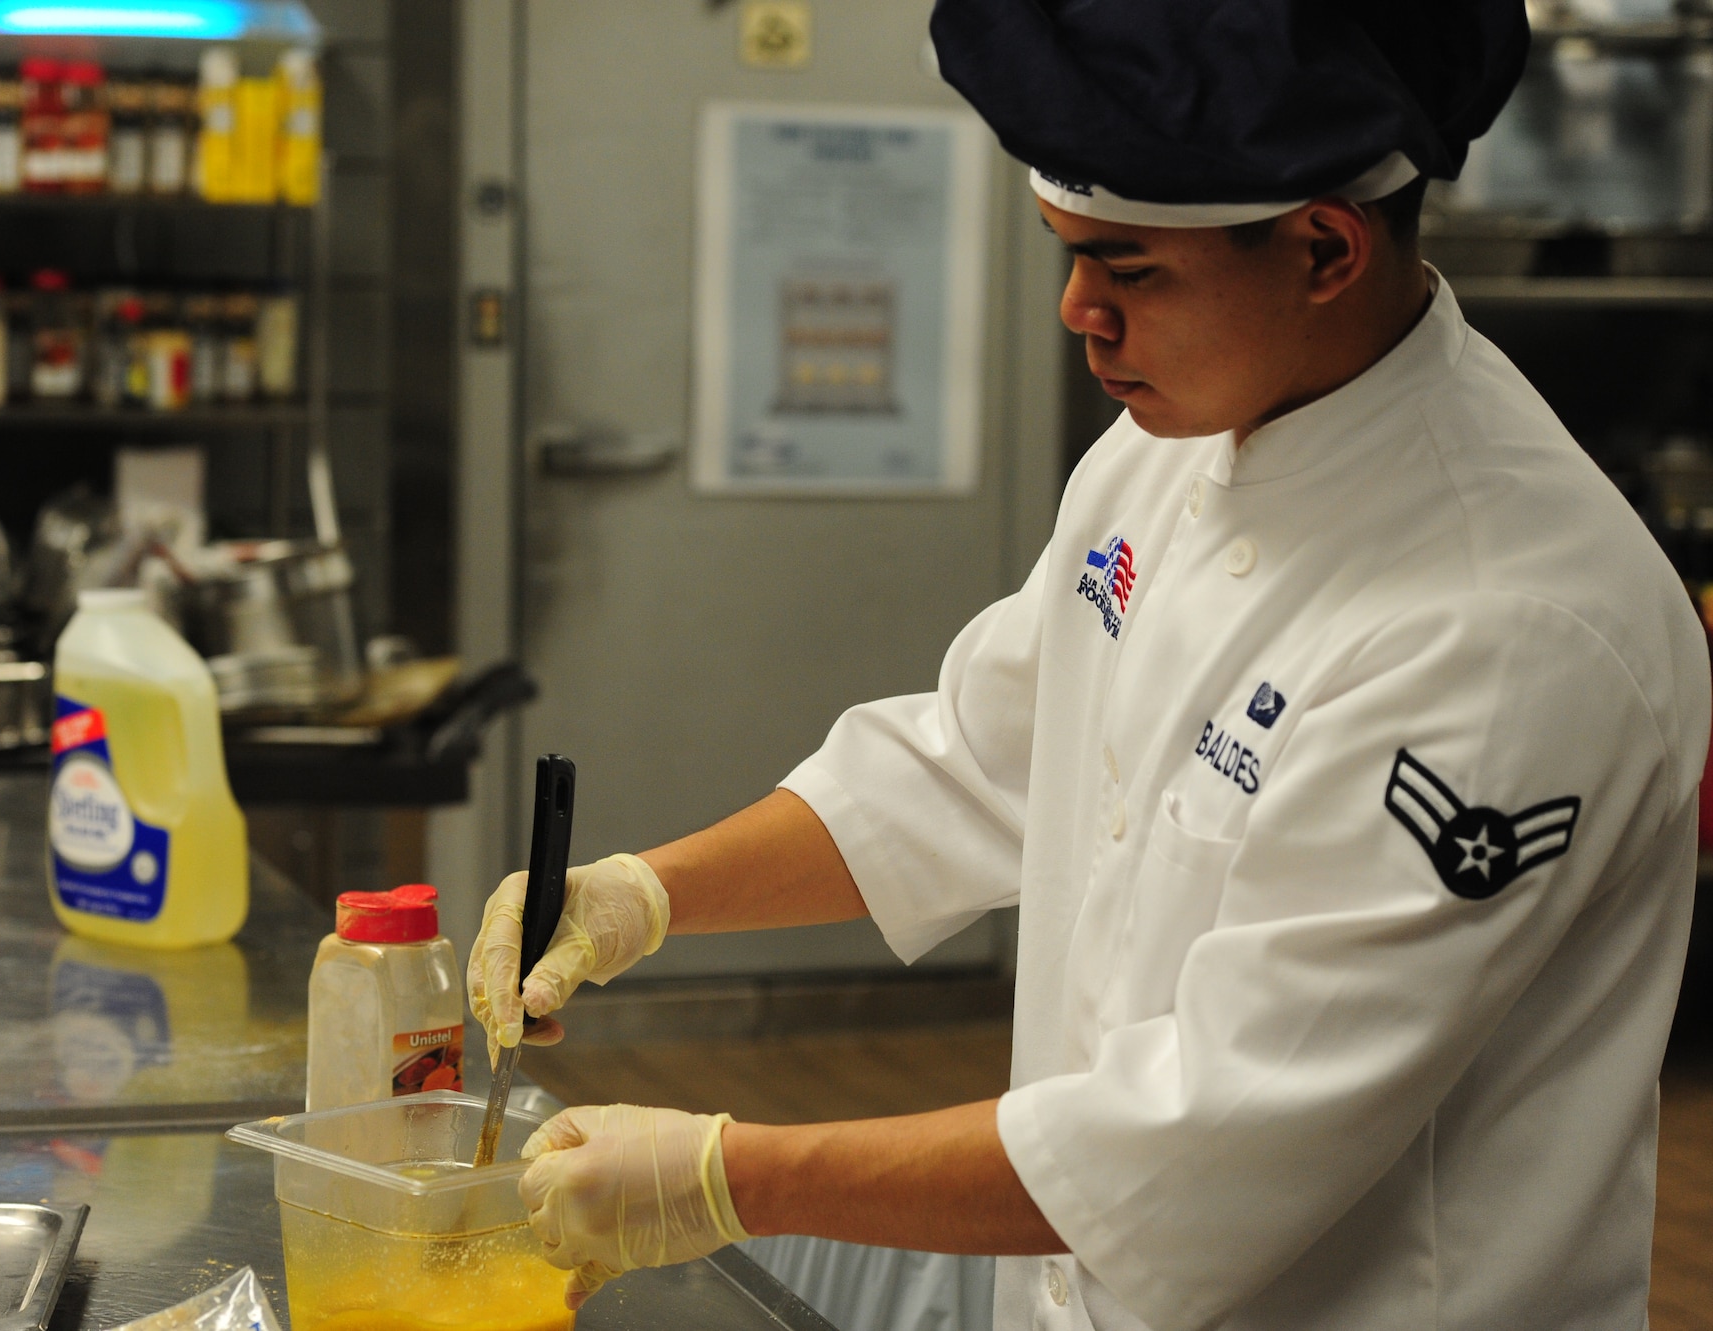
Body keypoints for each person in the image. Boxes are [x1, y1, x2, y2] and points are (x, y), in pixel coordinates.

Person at [472, 2, 1713, 1327]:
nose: (1080, 314)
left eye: (1131, 269)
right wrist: (641, 896)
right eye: (1066, 255)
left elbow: (1213, 1131)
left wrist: (732, 1176)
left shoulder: (1509, 624)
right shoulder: (1166, 451)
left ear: (1325, 248)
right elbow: (979, 761)